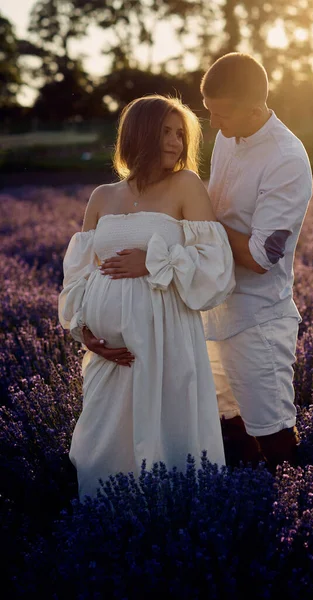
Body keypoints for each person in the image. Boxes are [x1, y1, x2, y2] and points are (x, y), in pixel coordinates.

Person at [58, 95, 235, 500]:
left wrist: (153, 261)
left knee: (167, 435)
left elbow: (215, 263)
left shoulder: (185, 185)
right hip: (110, 354)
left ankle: (170, 530)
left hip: (166, 336)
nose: (176, 142)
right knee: (104, 445)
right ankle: (109, 533)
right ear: (138, 133)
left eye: (180, 134)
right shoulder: (102, 196)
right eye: (165, 131)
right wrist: (82, 329)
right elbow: (80, 273)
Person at [200, 53, 313, 472]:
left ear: (254, 107)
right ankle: (243, 524)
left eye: (221, 113)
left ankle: (291, 520)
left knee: (273, 435)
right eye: (209, 112)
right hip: (214, 307)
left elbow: (263, 257)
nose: (214, 124)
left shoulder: (286, 157)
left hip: (258, 316)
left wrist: (201, 226)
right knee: (226, 425)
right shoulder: (230, 134)